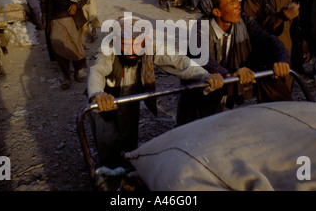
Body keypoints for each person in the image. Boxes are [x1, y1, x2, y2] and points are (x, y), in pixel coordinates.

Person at [87, 15, 224, 168]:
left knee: (128, 133)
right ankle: (108, 173)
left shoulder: (150, 47)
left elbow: (178, 61)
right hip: (106, 99)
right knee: (106, 139)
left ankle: (126, 169)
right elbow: (97, 71)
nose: (132, 50)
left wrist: (204, 75)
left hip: (131, 97)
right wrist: (97, 94)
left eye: (138, 44)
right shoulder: (109, 49)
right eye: (126, 44)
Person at [176, 0, 291, 125]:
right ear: (217, 12)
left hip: (227, 87)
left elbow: (269, 40)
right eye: (231, 3)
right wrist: (230, 74)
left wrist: (282, 60)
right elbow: (203, 60)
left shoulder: (245, 21)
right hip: (203, 92)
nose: (238, 6)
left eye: (237, 0)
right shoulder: (199, 28)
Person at [241, 0, 308, 97]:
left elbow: (304, 19)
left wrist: (305, 42)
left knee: (286, 95)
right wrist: (279, 17)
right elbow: (251, 31)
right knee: (277, 102)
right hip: (267, 58)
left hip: (291, 54)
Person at [41, 0, 90, 90]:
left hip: (73, 18)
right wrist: (44, 19)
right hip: (55, 19)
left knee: (75, 45)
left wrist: (76, 6)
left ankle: (77, 72)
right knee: (58, 47)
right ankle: (66, 76)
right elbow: (44, 1)